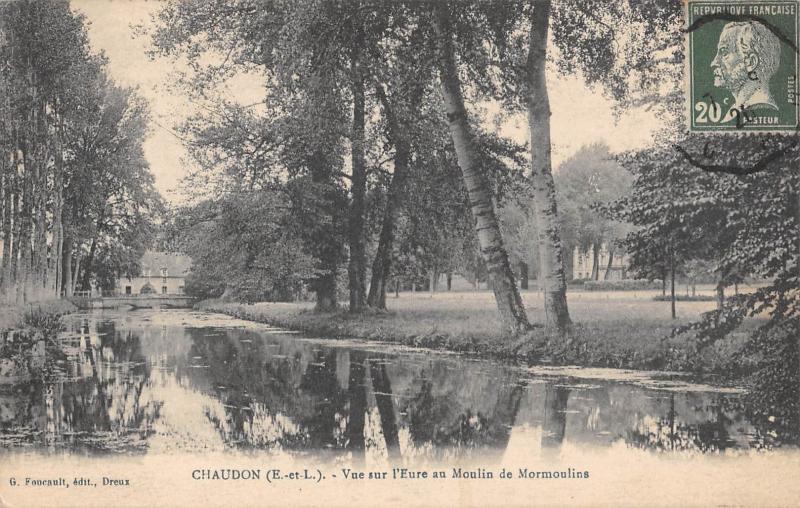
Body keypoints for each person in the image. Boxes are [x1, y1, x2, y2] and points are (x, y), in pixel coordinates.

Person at [710, 20, 781, 112]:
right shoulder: (739, 110)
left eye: (724, 52)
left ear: (751, 62)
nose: (714, 62)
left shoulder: (760, 110)